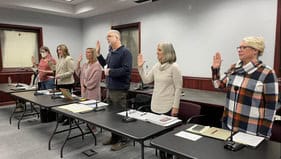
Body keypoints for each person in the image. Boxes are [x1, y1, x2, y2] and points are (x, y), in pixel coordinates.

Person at [211, 36, 279, 138]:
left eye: (244, 47)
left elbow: (271, 106)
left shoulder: (267, 73)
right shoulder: (234, 68)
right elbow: (218, 85)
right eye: (239, 47)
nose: (239, 50)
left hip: (250, 130)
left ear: (255, 50)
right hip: (228, 125)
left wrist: (264, 133)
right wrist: (216, 69)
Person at [138, 42, 182, 159]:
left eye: (159, 50)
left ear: (167, 52)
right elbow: (146, 80)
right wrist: (140, 68)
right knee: (158, 138)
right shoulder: (156, 66)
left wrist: (175, 107)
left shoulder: (174, 67)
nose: (157, 52)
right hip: (155, 105)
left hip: (168, 107)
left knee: (167, 139)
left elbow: (178, 88)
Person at [96, 30, 132, 151]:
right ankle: (114, 137)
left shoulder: (125, 52)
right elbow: (106, 66)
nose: (107, 38)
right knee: (111, 116)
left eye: (109, 36)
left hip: (119, 89)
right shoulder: (111, 52)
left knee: (119, 116)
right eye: (107, 37)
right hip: (110, 88)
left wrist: (110, 72)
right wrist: (98, 55)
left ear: (117, 38)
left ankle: (124, 140)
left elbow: (126, 70)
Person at [56, 44, 75, 125]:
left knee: (68, 102)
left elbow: (71, 72)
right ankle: (64, 116)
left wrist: (60, 76)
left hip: (67, 83)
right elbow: (59, 69)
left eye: (60, 50)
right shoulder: (60, 58)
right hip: (60, 82)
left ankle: (70, 119)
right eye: (58, 50)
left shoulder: (69, 59)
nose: (58, 51)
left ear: (64, 50)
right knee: (63, 102)